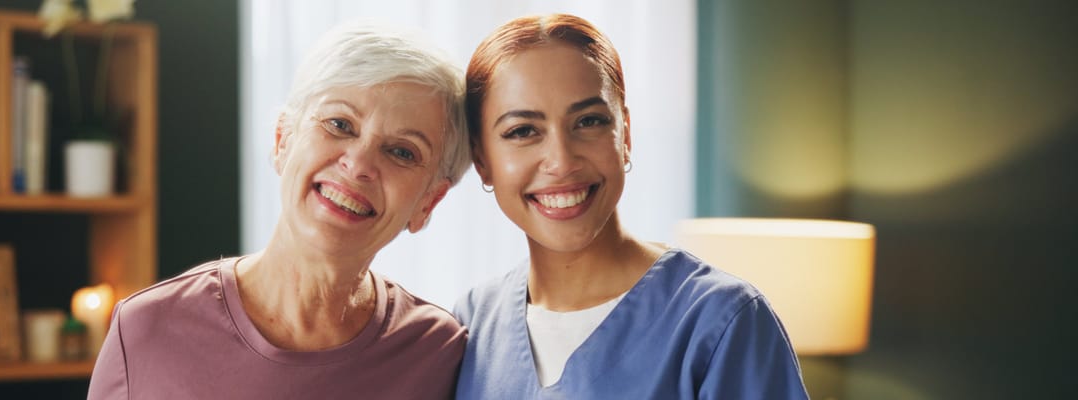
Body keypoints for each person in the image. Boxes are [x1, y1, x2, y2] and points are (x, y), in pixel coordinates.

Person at [88, 22, 471, 400]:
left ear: (428, 203)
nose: (358, 164)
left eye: (402, 152)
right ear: (282, 140)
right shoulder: (146, 329)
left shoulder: (440, 352)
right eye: (340, 124)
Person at [453, 14, 809, 399]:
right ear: (482, 160)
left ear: (625, 135)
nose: (561, 160)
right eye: (522, 131)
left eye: (588, 121)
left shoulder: (720, 321)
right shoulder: (471, 323)